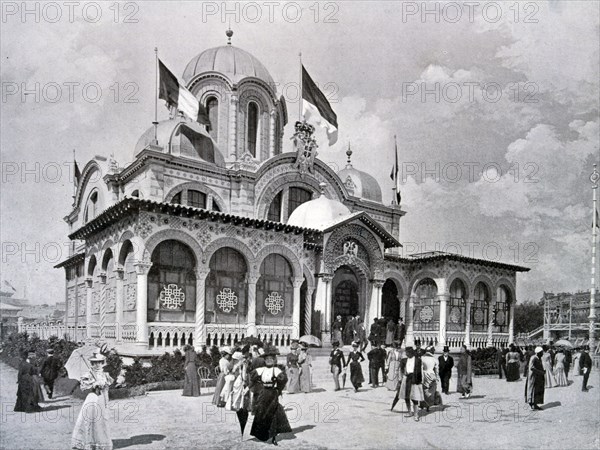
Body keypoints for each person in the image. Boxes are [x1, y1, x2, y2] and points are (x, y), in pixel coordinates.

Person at [249, 345, 292, 445]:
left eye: (271, 359)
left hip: (272, 394)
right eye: (267, 359)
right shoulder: (261, 370)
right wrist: (257, 386)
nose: (269, 360)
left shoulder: (276, 370)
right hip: (263, 393)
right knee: (261, 413)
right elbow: (252, 376)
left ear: (274, 360)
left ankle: (273, 437)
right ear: (264, 360)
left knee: (273, 414)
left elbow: (283, 379)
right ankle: (262, 434)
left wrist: (278, 389)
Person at [71, 352, 114, 450]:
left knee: (101, 421)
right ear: (91, 363)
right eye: (94, 363)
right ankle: (88, 443)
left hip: (102, 399)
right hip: (92, 399)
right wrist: (93, 385)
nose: (97, 365)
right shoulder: (88, 374)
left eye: (99, 362)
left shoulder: (105, 374)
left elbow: (108, 386)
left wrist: (103, 385)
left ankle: (99, 443)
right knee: (90, 420)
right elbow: (84, 387)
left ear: (102, 362)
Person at [397, 346, 424, 421]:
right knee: (406, 396)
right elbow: (401, 369)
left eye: (408, 353)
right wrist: (401, 376)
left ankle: (416, 414)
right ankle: (409, 412)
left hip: (414, 379)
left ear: (412, 353)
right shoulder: (404, 360)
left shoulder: (418, 360)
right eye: (406, 352)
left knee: (415, 397)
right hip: (406, 378)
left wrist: (420, 381)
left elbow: (420, 371)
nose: (406, 354)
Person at [421, 346, 442, 411]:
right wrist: (437, 377)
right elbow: (436, 370)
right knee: (431, 391)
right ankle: (428, 406)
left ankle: (422, 404)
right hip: (431, 375)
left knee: (424, 390)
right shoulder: (435, 359)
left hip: (423, 374)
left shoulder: (421, 358)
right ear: (432, 351)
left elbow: (420, 368)